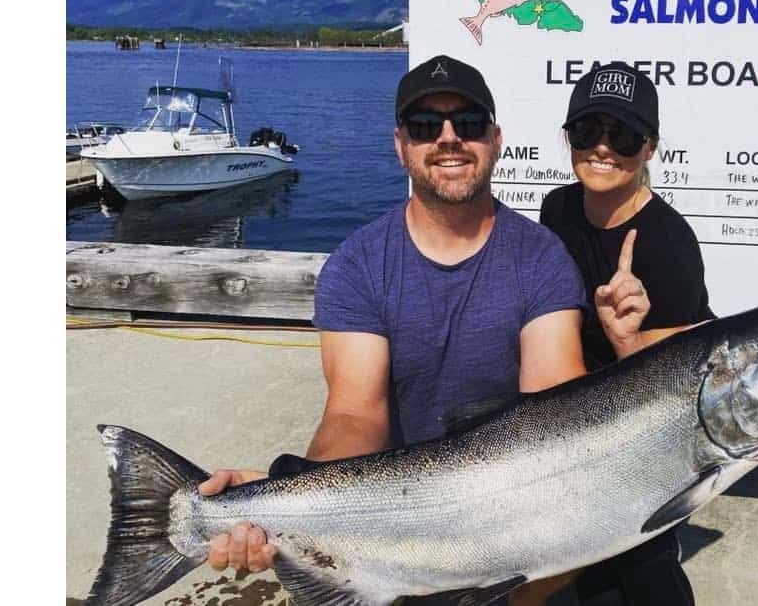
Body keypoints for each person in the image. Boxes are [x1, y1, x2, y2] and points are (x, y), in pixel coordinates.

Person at [194, 54, 649, 606]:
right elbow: (354, 413)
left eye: (469, 124)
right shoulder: (358, 265)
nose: (450, 139)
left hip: (518, 509)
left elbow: (552, 406)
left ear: (496, 139)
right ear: (401, 145)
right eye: (426, 127)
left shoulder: (540, 258)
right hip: (397, 521)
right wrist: (288, 500)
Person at [540, 62, 716, 606]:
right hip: (567, 413)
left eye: (624, 134)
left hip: (641, 431)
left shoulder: (669, 242)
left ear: (650, 148)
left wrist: (626, 341)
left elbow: (690, 384)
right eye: (588, 131)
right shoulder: (557, 207)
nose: (603, 148)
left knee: (639, 561)